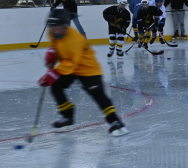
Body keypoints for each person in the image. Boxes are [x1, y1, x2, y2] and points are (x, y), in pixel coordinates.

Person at [38, 8, 127, 136]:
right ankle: (68, 117)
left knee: (97, 93)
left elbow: (71, 62)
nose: (54, 30)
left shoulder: (75, 39)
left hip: (87, 67)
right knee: (56, 87)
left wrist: (53, 73)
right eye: (52, 27)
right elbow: (57, 46)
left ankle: (115, 121)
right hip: (69, 66)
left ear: (65, 26)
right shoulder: (52, 33)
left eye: (58, 27)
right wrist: (52, 52)